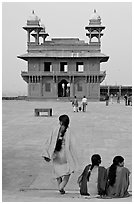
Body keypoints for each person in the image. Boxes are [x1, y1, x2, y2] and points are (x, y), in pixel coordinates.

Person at [42, 114, 78, 194]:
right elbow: (72, 145)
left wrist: (47, 152)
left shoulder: (55, 129)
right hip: (65, 154)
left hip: (56, 153)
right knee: (68, 171)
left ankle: (60, 186)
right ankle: (61, 186)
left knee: (57, 171)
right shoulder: (69, 131)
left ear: (61, 122)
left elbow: (49, 141)